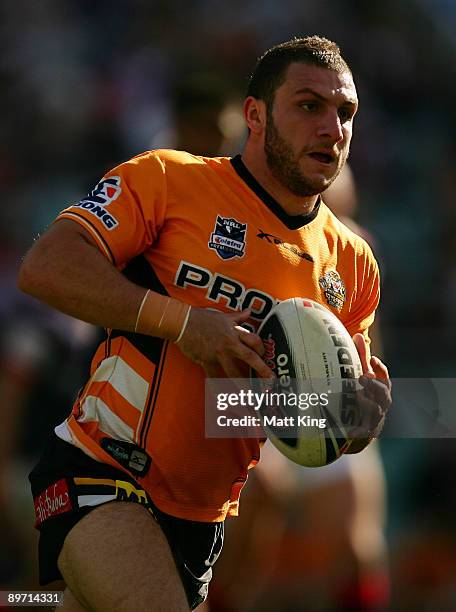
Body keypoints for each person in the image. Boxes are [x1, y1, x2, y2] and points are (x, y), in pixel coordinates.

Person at [18, 36, 392, 611]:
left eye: (345, 112)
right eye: (309, 105)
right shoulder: (169, 179)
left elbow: (323, 419)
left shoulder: (353, 263)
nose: (332, 127)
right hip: (103, 473)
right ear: (255, 115)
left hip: (204, 518)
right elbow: (47, 267)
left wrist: (353, 418)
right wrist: (187, 324)